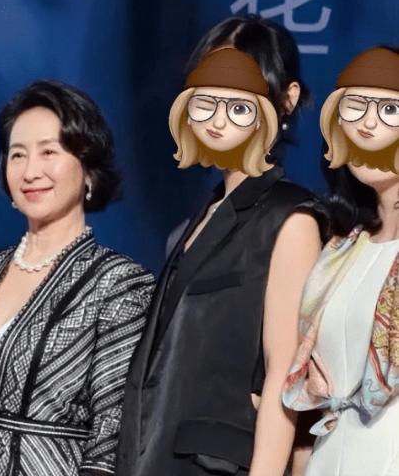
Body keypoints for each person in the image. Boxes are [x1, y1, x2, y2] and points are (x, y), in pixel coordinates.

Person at [0, 80, 155, 476]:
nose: (30, 171)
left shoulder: (119, 285)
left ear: (88, 168)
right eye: (17, 155)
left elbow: (112, 437)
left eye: (49, 152)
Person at [115, 44, 322, 476]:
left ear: (264, 118)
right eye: (205, 105)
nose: (218, 119)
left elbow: (284, 372)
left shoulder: (289, 215)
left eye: (238, 108)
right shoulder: (194, 222)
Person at [283, 46, 399, 476]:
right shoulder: (340, 251)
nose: (368, 124)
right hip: (331, 453)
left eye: (390, 110)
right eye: (355, 108)